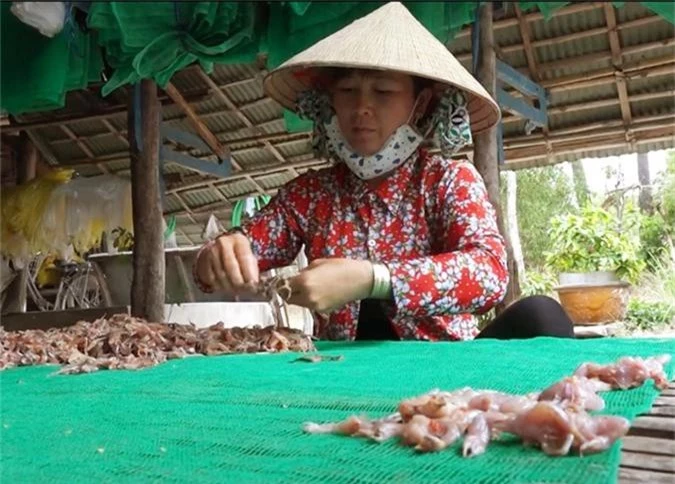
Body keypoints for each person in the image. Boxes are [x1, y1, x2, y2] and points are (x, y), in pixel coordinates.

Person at [193, 2, 574, 341]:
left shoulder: (447, 180)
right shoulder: (308, 196)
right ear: (329, 103)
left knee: (543, 315)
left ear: (420, 103)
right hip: (344, 370)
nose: (362, 107)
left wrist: (374, 279)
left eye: (384, 92)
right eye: (347, 92)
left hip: (446, 368)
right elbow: (233, 256)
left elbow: (489, 272)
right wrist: (218, 256)